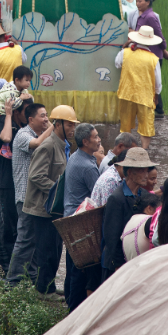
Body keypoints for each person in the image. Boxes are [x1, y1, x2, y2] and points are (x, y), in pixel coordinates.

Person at [6, 104, 78, 298]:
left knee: (55, 250)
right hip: (42, 207)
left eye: (74, 125)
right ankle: (39, 289)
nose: (73, 129)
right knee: (44, 250)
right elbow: (36, 176)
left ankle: (48, 287)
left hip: (53, 208)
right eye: (69, 125)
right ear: (59, 124)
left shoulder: (62, 146)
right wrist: (58, 191)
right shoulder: (47, 146)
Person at [0, 83, 34, 274]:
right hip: (6, 183)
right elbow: (7, 139)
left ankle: (18, 269)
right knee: (6, 227)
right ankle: (4, 268)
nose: (27, 115)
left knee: (19, 228)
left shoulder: (26, 129)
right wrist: (8, 114)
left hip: (20, 183)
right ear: (16, 112)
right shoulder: (4, 123)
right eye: (25, 111)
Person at [63, 123, 104, 310]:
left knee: (72, 264)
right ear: (85, 141)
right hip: (80, 221)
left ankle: (69, 300)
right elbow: (98, 194)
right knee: (81, 269)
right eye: (96, 137)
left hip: (70, 217)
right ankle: (74, 310)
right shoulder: (88, 166)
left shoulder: (75, 156)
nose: (99, 140)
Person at [101, 147, 157, 279]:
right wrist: (119, 265)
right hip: (117, 263)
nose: (146, 175)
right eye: (142, 171)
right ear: (130, 173)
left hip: (135, 259)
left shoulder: (144, 195)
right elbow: (111, 238)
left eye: (146, 170)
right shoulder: (116, 199)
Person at [115, 25, 163, 150]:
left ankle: (125, 150)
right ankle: (144, 150)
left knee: (125, 125)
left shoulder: (125, 52)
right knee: (146, 126)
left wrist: (124, 47)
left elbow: (117, 64)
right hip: (145, 96)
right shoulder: (153, 58)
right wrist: (156, 95)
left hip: (126, 93)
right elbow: (158, 82)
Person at [129, 0, 168, 117]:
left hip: (153, 54)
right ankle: (151, 108)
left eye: (140, 1)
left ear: (148, 2)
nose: (137, 3)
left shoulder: (150, 17)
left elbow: (159, 34)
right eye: (136, 1)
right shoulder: (142, 16)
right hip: (144, 53)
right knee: (148, 82)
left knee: (152, 82)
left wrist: (163, 49)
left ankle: (157, 109)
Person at [121, 194, 161, 260]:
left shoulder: (130, 221)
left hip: (131, 267)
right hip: (147, 266)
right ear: (150, 208)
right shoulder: (150, 221)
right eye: (159, 209)